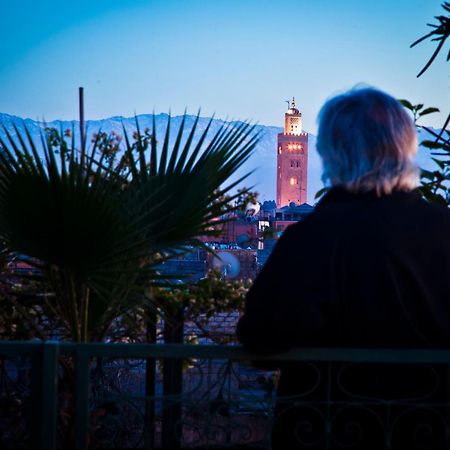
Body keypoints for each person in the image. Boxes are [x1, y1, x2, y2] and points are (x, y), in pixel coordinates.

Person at [236, 87, 450, 449]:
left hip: (326, 431)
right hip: (432, 430)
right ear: (407, 151)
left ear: (331, 153)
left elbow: (260, 341)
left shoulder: (311, 239)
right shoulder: (443, 231)